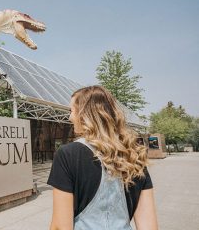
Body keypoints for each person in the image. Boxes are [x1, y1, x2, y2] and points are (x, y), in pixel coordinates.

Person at [47, 86, 158, 230]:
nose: (70, 117)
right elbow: (149, 226)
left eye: (72, 111)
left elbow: (60, 226)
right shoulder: (134, 157)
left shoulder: (68, 154)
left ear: (84, 115)